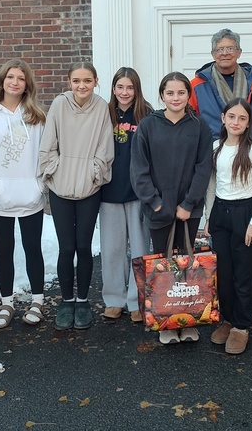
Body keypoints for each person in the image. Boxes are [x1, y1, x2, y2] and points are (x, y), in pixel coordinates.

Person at [131, 71, 213, 345]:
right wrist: (155, 202)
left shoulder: (199, 126)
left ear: (188, 95)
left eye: (181, 92)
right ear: (162, 95)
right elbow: (139, 169)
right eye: (170, 93)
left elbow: (203, 168)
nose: (175, 98)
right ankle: (166, 319)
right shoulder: (147, 126)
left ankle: (189, 316)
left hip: (189, 209)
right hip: (157, 209)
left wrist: (189, 203)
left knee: (188, 265)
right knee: (163, 267)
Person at [39, 62, 114, 332]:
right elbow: (48, 143)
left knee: (83, 247)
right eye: (76, 81)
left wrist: (94, 173)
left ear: (96, 81)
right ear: (68, 82)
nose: (82, 86)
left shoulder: (102, 107)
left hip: (89, 188)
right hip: (61, 187)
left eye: (87, 80)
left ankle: (83, 301)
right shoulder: (59, 105)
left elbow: (106, 146)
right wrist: (54, 171)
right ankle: (66, 301)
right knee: (65, 247)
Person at [0, 59, 48, 329]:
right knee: (4, 250)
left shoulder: (36, 116)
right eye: (10, 77)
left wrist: (39, 186)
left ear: (27, 84)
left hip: (32, 196)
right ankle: (7, 303)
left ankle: (37, 301)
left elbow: (45, 154)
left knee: (33, 249)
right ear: (2, 80)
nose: (15, 82)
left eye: (20, 78)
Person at [205, 98, 252, 355]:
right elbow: (212, 185)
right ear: (223, 118)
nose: (236, 122)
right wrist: (208, 219)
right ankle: (227, 318)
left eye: (242, 118)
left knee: (243, 273)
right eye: (231, 116)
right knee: (223, 272)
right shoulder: (216, 147)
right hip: (220, 215)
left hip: (245, 214)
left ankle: (242, 326)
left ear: (248, 123)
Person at [99, 67, 153, 322]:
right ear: (113, 89)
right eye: (120, 87)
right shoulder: (103, 113)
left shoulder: (147, 114)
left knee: (140, 249)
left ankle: (137, 300)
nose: (124, 92)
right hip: (108, 190)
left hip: (138, 192)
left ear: (137, 89)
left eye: (130, 87)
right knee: (112, 248)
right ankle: (114, 298)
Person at [189, 28, 252, 140]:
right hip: (212, 149)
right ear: (213, 54)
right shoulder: (196, 85)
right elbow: (190, 125)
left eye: (230, 48)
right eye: (220, 49)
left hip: (247, 148)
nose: (225, 53)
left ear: (239, 52)